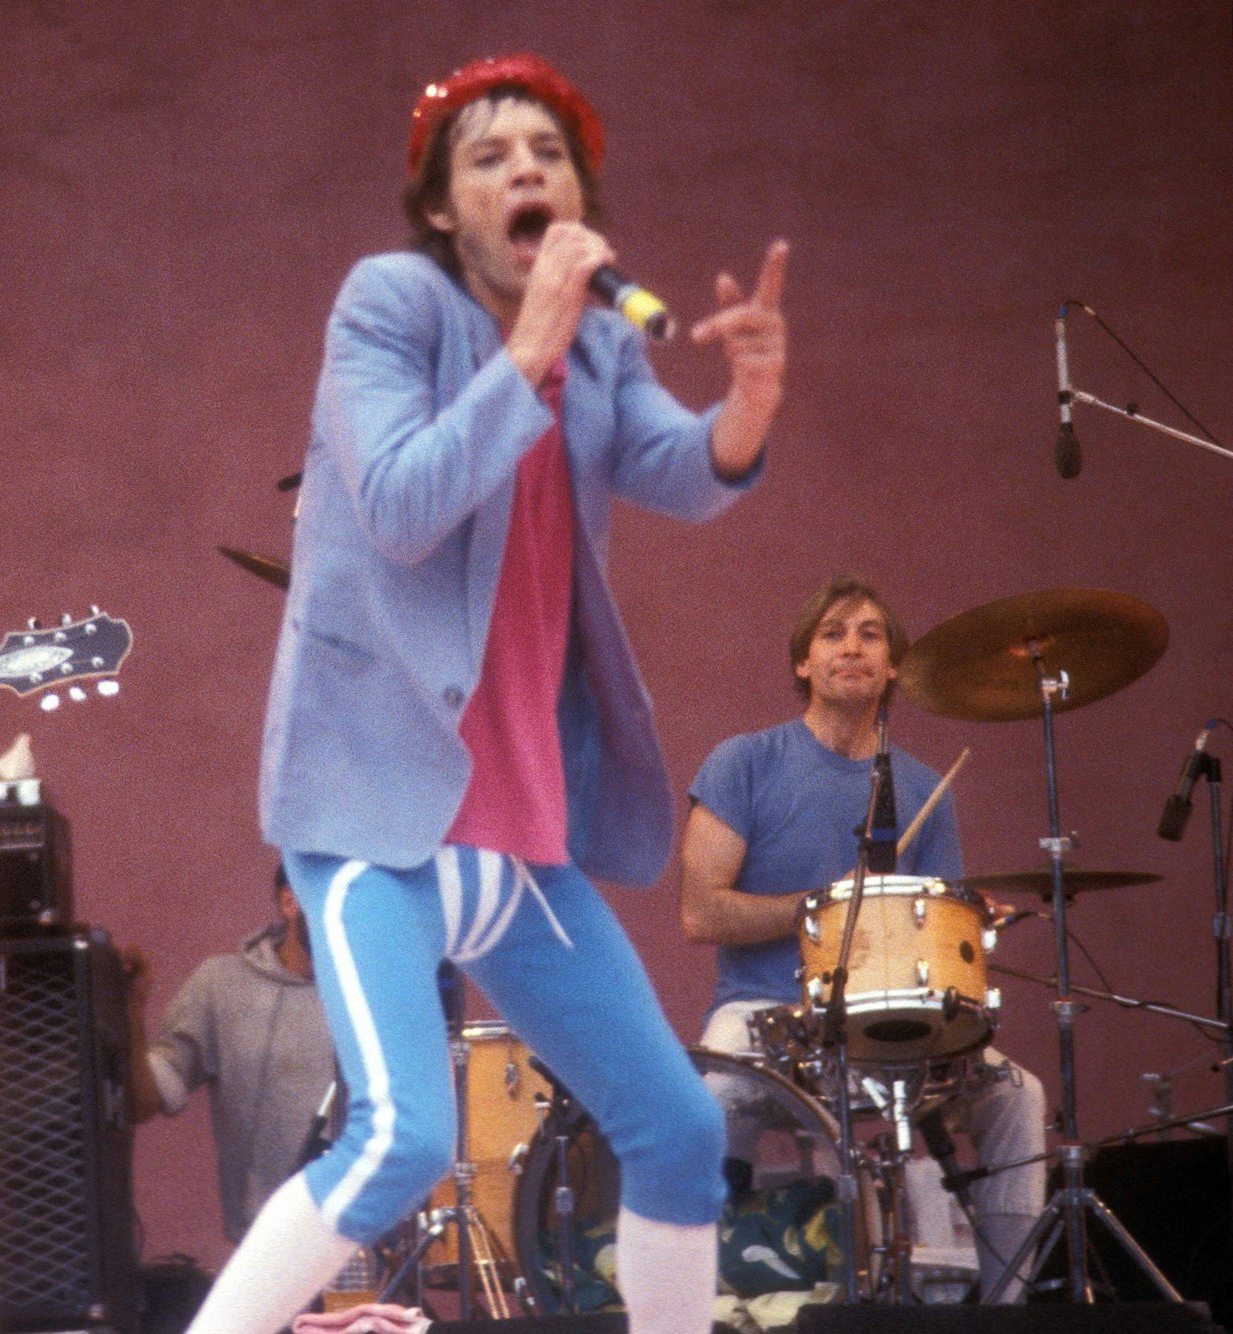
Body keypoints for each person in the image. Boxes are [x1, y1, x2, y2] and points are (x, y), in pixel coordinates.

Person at [186, 53, 791, 1334]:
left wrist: (743, 413)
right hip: (370, 808)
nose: (524, 168)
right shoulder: (388, 304)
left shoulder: (597, 342)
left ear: (576, 193)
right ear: (440, 210)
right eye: (486, 156)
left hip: (514, 831)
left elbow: (671, 467)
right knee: (404, 1132)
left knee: (678, 1128)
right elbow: (401, 503)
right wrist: (528, 344)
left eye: (547, 153)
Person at [679, 575, 1048, 1301]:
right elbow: (701, 914)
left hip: (887, 1019)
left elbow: (937, 933)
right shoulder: (744, 762)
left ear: (895, 667)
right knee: (715, 1090)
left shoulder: (921, 788)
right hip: (765, 1010)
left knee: (1019, 1095)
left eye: (871, 634)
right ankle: (714, 1293)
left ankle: (1007, 1307)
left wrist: (973, 926)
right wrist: (825, 910)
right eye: (833, 633)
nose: (852, 646)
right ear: (803, 664)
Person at [127, 865, 337, 1245]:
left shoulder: (375, 989)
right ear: (291, 902)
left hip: (369, 1238)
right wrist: (130, 1012)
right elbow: (146, 1100)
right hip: (267, 1242)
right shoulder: (222, 985)